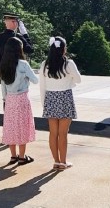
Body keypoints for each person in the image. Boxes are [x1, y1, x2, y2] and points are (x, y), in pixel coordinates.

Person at [39, 36, 81, 170]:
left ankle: (56, 161)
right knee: (63, 133)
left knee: (53, 133)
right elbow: (78, 80)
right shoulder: (69, 64)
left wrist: (44, 104)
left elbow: (42, 86)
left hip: (50, 99)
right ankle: (63, 162)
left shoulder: (44, 64)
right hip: (65, 98)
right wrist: (70, 82)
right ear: (63, 49)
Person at [0, 37, 38, 165]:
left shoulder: (2, 64)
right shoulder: (23, 64)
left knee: (11, 127)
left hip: (9, 99)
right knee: (22, 127)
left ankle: (13, 156)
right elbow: (35, 80)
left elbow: (3, 86)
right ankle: (22, 157)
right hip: (22, 99)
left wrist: (5, 100)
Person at [0, 12, 34, 84]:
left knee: (6, 94)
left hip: (3, 71)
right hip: (17, 71)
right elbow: (30, 49)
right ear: (15, 23)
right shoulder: (18, 36)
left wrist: (0, 70)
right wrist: (25, 34)